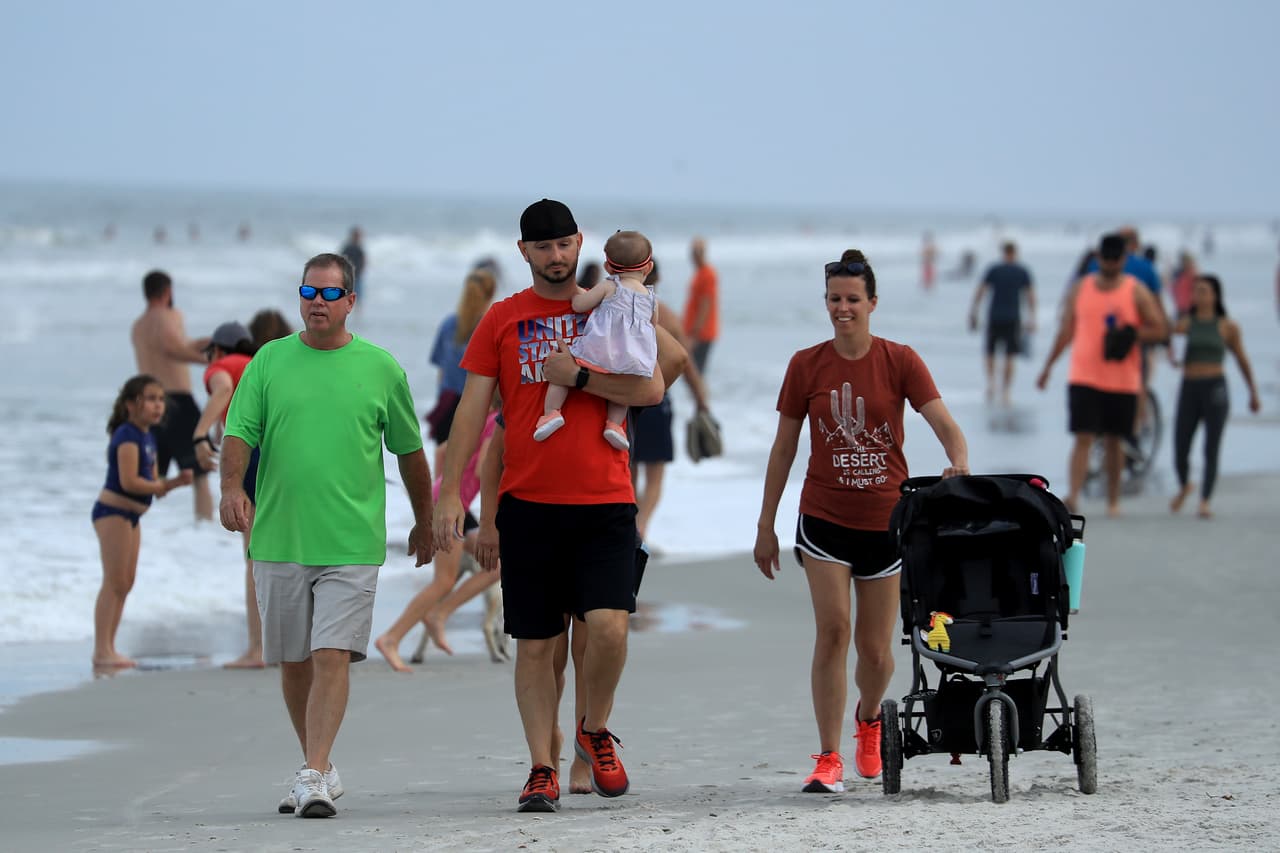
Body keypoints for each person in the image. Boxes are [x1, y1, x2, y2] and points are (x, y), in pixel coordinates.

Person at [433, 198, 684, 813]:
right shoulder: (503, 319)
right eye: (542, 247)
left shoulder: (616, 301)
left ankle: (593, 730)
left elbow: (665, 369)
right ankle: (542, 768)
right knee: (538, 647)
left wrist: (581, 380)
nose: (556, 256)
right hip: (530, 504)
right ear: (525, 252)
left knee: (607, 628)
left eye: (565, 245)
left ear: (580, 245)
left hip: (605, 500)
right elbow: (471, 412)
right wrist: (448, 497)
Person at [219, 253, 435, 818]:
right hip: (279, 536)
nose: (318, 302)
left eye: (330, 294)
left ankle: (313, 774)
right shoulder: (269, 362)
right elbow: (239, 431)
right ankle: (319, 765)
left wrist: (424, 519)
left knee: (330, 653)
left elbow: (410, 450)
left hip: (351, 540)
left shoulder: (381, 368)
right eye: (309, 292)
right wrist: (232, 488)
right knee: (294, 662)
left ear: (351, 302)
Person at [753, 249, 970, 794]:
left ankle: (869, 719)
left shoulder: (900, 360)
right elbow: (783, 448)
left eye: (852, 299)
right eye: (834, 299)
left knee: (875, 652)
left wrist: (959, 465)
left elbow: (944, 422)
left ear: (872, 302)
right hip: (823, 519)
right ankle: (828, 757)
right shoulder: (806, 364)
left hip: (885, 523)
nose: (842, 308)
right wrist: (765, 524)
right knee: (833, 632)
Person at [1035, 233, 1168, 516]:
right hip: (1083, 375)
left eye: (1114, 259)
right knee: (1082, 437)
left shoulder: (1136, 291)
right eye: (1104, 258)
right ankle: (1073, 495)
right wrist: (1047, 367)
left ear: (1123, 259)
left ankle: (1113, 500)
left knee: (1113, 440)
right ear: (1098, 258)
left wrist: (1133, 334)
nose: (1109, 263)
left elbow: (1160, 328)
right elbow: (1067, 330)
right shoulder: (1081, 288)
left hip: (1122, 379)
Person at [375, 401, 501, 671]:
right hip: (450, 507)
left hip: (453, 503)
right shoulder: (498, 422)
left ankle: (439, 614)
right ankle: (391, 638)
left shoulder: (482, 417)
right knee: (444, 581)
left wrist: (444, 482)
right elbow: (483, 469)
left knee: (495, 565)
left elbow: (444, 449)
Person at [92, 375, 193, 669]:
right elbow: (130, 482)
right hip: (113, 513)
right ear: (130, 405)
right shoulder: (127, 435)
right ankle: (102, 650)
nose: (158, 405)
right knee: (113, 581)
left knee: (126, 582)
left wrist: (175, 484)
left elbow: (152, 486)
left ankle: (109, 647)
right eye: (150, 399)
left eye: (161, 399)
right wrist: (170, 481)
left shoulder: (148, 437)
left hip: (132, 516)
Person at [536, 230, 658, 450]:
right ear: (647, 268)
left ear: (608, 268)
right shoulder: (650, 298)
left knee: (563, 372)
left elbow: (580, 306)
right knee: (621, 391)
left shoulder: (611, 286)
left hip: (599, 350)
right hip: (630, 357)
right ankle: (614, 425)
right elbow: (652, 325)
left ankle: (551, 413)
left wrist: (576, 295)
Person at [190, 322, 264, 669]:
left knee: (255, 558)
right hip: (282, 459)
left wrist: (199, 433)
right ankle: (290, 644)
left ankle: (257, 650)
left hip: (255, 460)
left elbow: (221, 391)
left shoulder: (222, 367)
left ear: (217, 350)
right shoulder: (261, 365)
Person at [631, 259, 712, 543]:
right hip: (655, 401)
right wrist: (701, 400)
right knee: (655, 476)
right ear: (658, 278)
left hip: (621, 400)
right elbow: (684, 363)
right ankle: (641, 529)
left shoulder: (610, 312)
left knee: (628, 471)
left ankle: (629, 527)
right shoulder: (666, 316)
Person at [1169, 275, 1261, 518]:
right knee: (1180, 445)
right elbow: (1174, 354)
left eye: (1204, 291)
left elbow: (1242, 359)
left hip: (1215, 388)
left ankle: (1205, 500)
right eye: (1196, 291)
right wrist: (1172, 353)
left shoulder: (1227, 326)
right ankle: (1184, 484)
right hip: (1189, 387)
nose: (1199, 296)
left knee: (1211, 447)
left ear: (1215, 296)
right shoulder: (1185, 324)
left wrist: (1253, 391)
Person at [129, 270, 214, 521]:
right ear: (167, 291)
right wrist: (210, 361)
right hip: (176, 401)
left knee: (150, 477)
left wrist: (204, 343)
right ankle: (204, 528)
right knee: (199, 473)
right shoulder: (168, 317)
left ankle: (135, 527)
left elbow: (176, 345)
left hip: (146, 403)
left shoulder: (139, 326)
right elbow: (173, 350)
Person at [425, 268, 497, 473]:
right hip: (476, 407)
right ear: (491, 294)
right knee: (472, 473)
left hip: (446, 403)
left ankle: (436, 504)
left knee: (443, 471)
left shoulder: (449, 325)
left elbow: (441, 370)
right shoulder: (490, 327)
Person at [968, 241, 1037, 406]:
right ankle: (1006, 390)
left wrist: (974, 311)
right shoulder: (1022, 271)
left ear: (1003, 252)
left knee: (990, 353)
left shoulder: (994, 270)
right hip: (1013, 318)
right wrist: (1032, 318)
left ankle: (991, 385)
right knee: (1009, 355)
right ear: (1015, 252)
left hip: (995, 317)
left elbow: (981, 291)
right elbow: (1030, 296)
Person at [681, 237, 720, 374]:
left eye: (696, 252)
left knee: (696, 372)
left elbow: (706, 304)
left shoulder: (708, 274)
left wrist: (695, 335)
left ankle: (701, 395)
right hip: (694, 332)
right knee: (693, 371)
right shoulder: (699, 273)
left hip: (702, 334)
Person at [340, 227, 367, 300]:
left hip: (357, 274)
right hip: (349, 274)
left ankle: (358, 309)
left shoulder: (359, 247)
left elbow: (364, 260)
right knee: (347, 293)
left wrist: (362, 270)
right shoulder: (348, 247)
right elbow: (341, 259)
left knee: (358, 295)